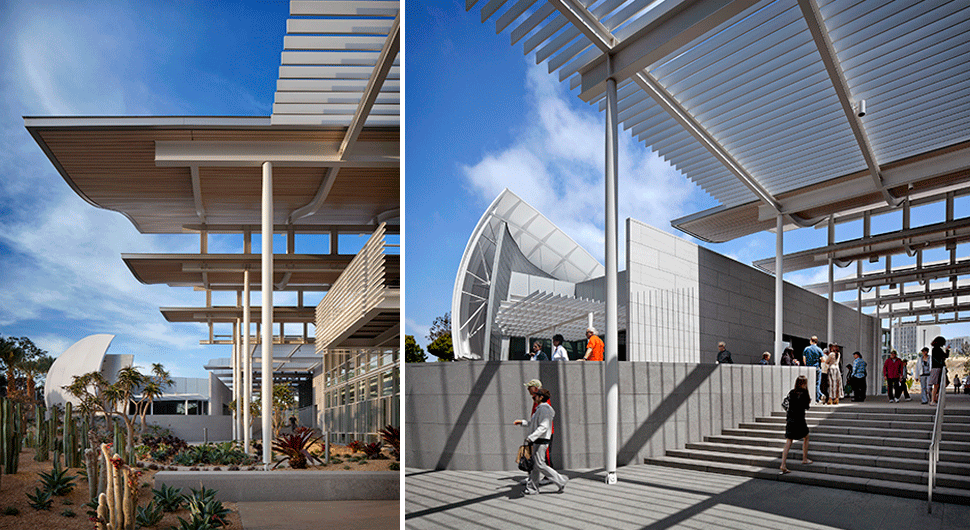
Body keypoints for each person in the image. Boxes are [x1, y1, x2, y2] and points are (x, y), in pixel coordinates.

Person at [521, 388, 568, 494]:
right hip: (539, 440)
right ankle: (532, 488)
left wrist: (531, 438)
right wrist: (523, 423)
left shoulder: (544, 409)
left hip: (540, 440)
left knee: (539, 464)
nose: (533, 397)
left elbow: (543, 426)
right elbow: (535, 425)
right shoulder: (541, 409)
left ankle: (561, 480)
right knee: (535, 465)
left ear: (541, 397)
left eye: (535, 396)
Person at [514, 379, 554, 478]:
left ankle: (554, 478)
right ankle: (532, 481)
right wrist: (523, 423)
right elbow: (535, 421)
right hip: (537, 435)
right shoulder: (538, 400)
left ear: (536, 389)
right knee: (536, 460)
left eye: (529, 387)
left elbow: (543, 424)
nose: (528, 389)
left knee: (542, 459)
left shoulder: (543, 403)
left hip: (542, 436)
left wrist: (532, 437)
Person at [780, 375, 812, 474]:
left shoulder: (792, 392)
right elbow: (806, 407)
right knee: (806, 437)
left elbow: (785, 404)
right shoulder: (804, 393)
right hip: (799, 419)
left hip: (790, 418)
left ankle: (783, 464)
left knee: (789, 440)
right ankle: (804, 458)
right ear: (804, 383)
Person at [803, 336, 824, 403]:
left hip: (809, 368)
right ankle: (817, 398)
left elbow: (804, 359)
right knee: (817, 384)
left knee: (808, 383)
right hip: (817, 368)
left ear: (811, 341)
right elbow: (823, 360)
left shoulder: (806, 349)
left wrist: (807, 365)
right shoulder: (819, 349)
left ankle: (809, 398)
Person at [929, 336, 949, 405]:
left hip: (936, 368)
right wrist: (947, 350)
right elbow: (945, 356)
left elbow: (944, 356)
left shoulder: (934, 349)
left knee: (937, 385)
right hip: (938, 368)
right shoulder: (937, 349)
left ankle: (934, 399)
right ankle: (934, 399)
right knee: (937, 385)